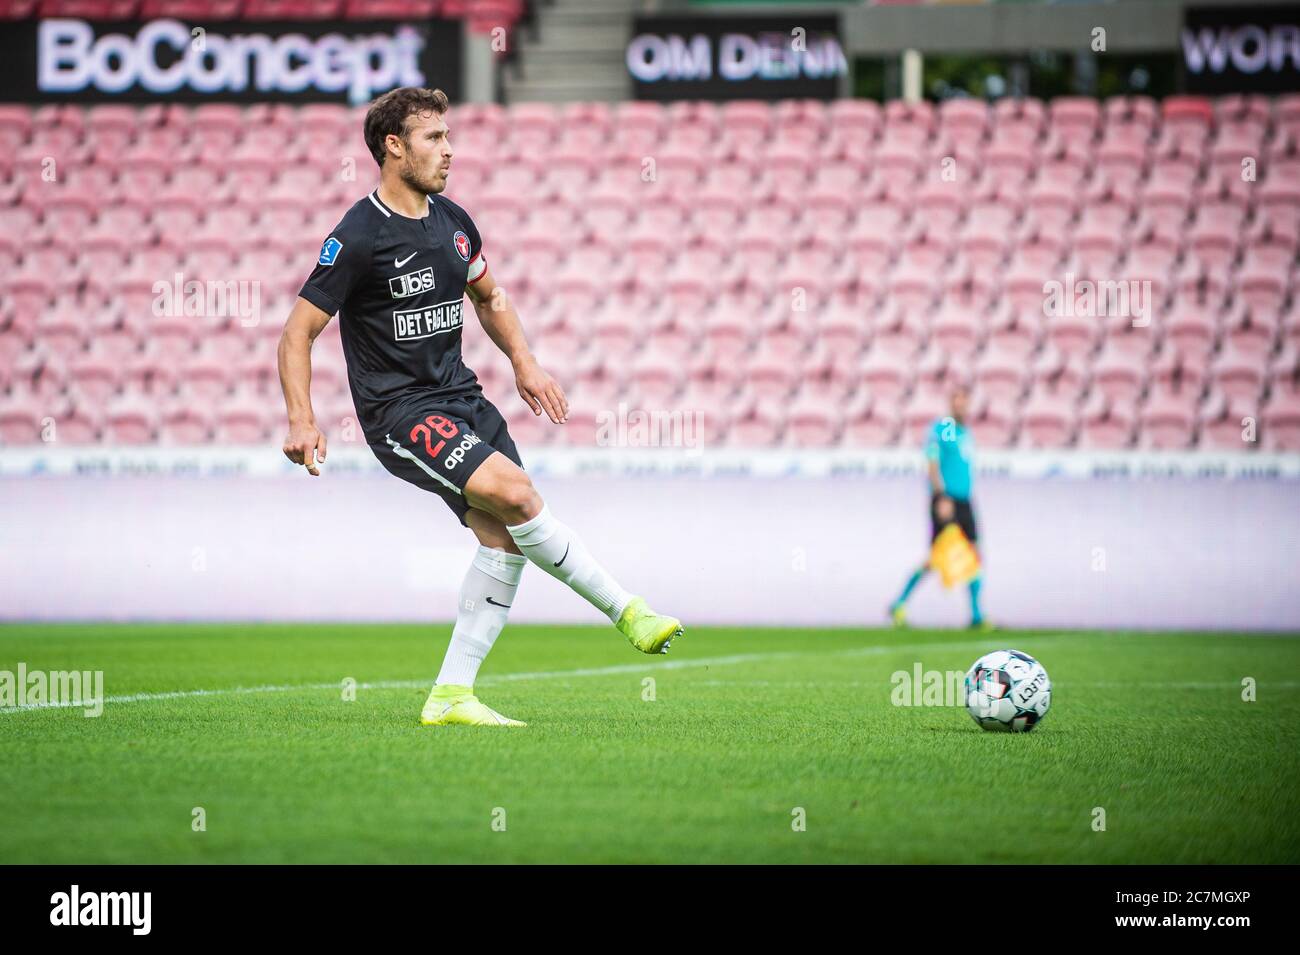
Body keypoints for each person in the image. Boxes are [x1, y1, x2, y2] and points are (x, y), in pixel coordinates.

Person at [277, 87, 683, 727]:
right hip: (400, 413)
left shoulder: (454, 223)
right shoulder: (356, 237)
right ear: (394, 145)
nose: (449, 150)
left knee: (505, 542)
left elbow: (489, 298)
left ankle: (450, 697)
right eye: (434, 137)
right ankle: (629, 610)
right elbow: (297, 333)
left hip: (463, 398)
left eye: (448, 136)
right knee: (519, 497)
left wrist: (523, 360)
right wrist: (302, 417)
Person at [888, 386, 991, 631]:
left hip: (965, 501)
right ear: (950, 403)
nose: (961, 406)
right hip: (947, 500)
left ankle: (977, 615)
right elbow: (932, 461)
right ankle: (899, 603)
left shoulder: (965, 432)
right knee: (938, 556)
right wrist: (940, 495)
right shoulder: (944, 428)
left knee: (974, 553)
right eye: (956, 401)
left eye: (965, 401)